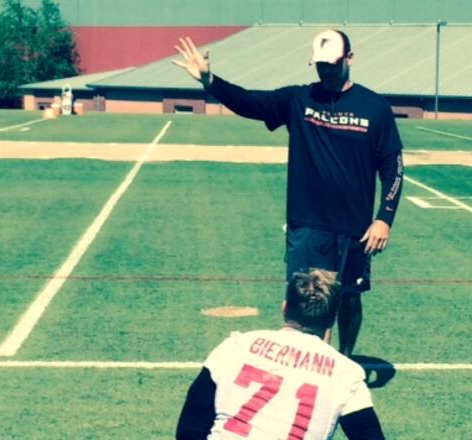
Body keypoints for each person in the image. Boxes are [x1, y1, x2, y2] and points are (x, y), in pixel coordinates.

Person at [172, 30, 404, 357]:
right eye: (320, 65)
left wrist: (384, 218)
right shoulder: (299, 100)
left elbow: (393, 166)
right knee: (309, 301)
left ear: (350, 59)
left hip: (355, 229)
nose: (325, 72)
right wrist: (210, 81)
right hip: (307, 225)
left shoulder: (375, 108)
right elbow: (250, 103)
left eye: (333, 65)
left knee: (349, 298)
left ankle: (346, 359)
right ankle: (312, 366)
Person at [176, 268, 385, 440]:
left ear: (284, 308)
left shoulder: (236, 346)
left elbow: (190, 429)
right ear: (331, 321)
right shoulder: (346, 374)